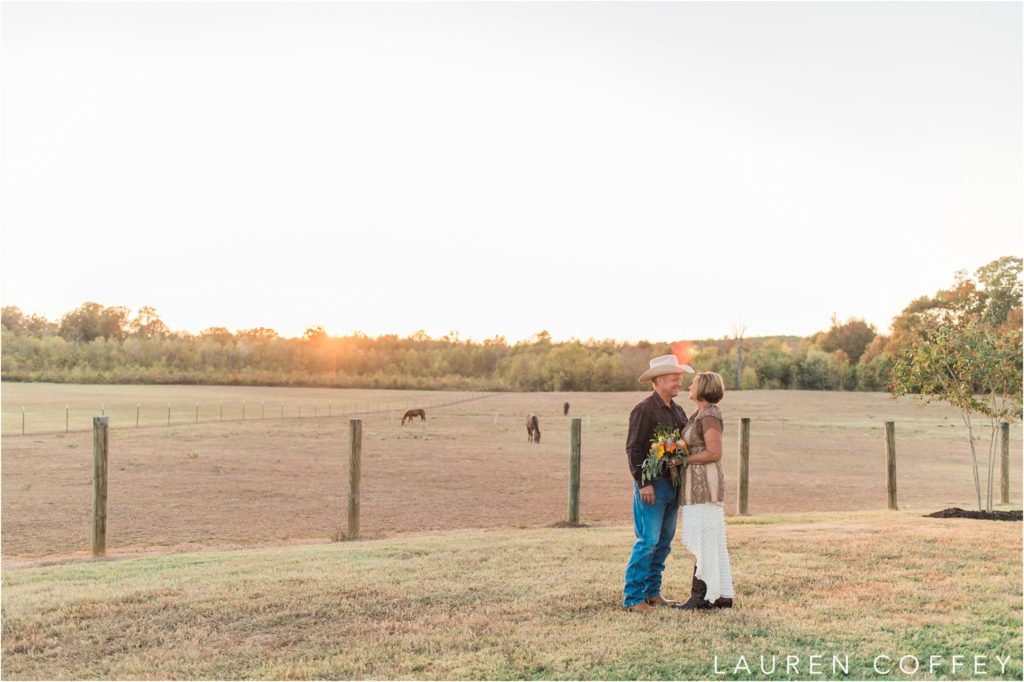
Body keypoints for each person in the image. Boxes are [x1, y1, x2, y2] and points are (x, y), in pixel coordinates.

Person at [622, 354, 694, 612]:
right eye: (675, 378)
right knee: (647, 541)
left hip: (672, 486)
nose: (679, 382)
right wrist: (644, 483)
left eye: (680, 378)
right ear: (660, 380)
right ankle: (633, 598)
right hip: (652, 486)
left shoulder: (677, 410)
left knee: (664, 542)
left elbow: (683, 444)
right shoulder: (644, 409)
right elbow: (633, 449)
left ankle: (653, 592)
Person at [667, 371, 735, 609]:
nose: (689, 386)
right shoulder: (700, 414)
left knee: (704, 538)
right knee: (709, 539)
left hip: (704, 486)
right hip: (695, 485)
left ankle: (701, 597)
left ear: (703, 388)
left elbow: (715, 452)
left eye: (693, 383)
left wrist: (681, 460)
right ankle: (719, 594)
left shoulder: (709, 415)